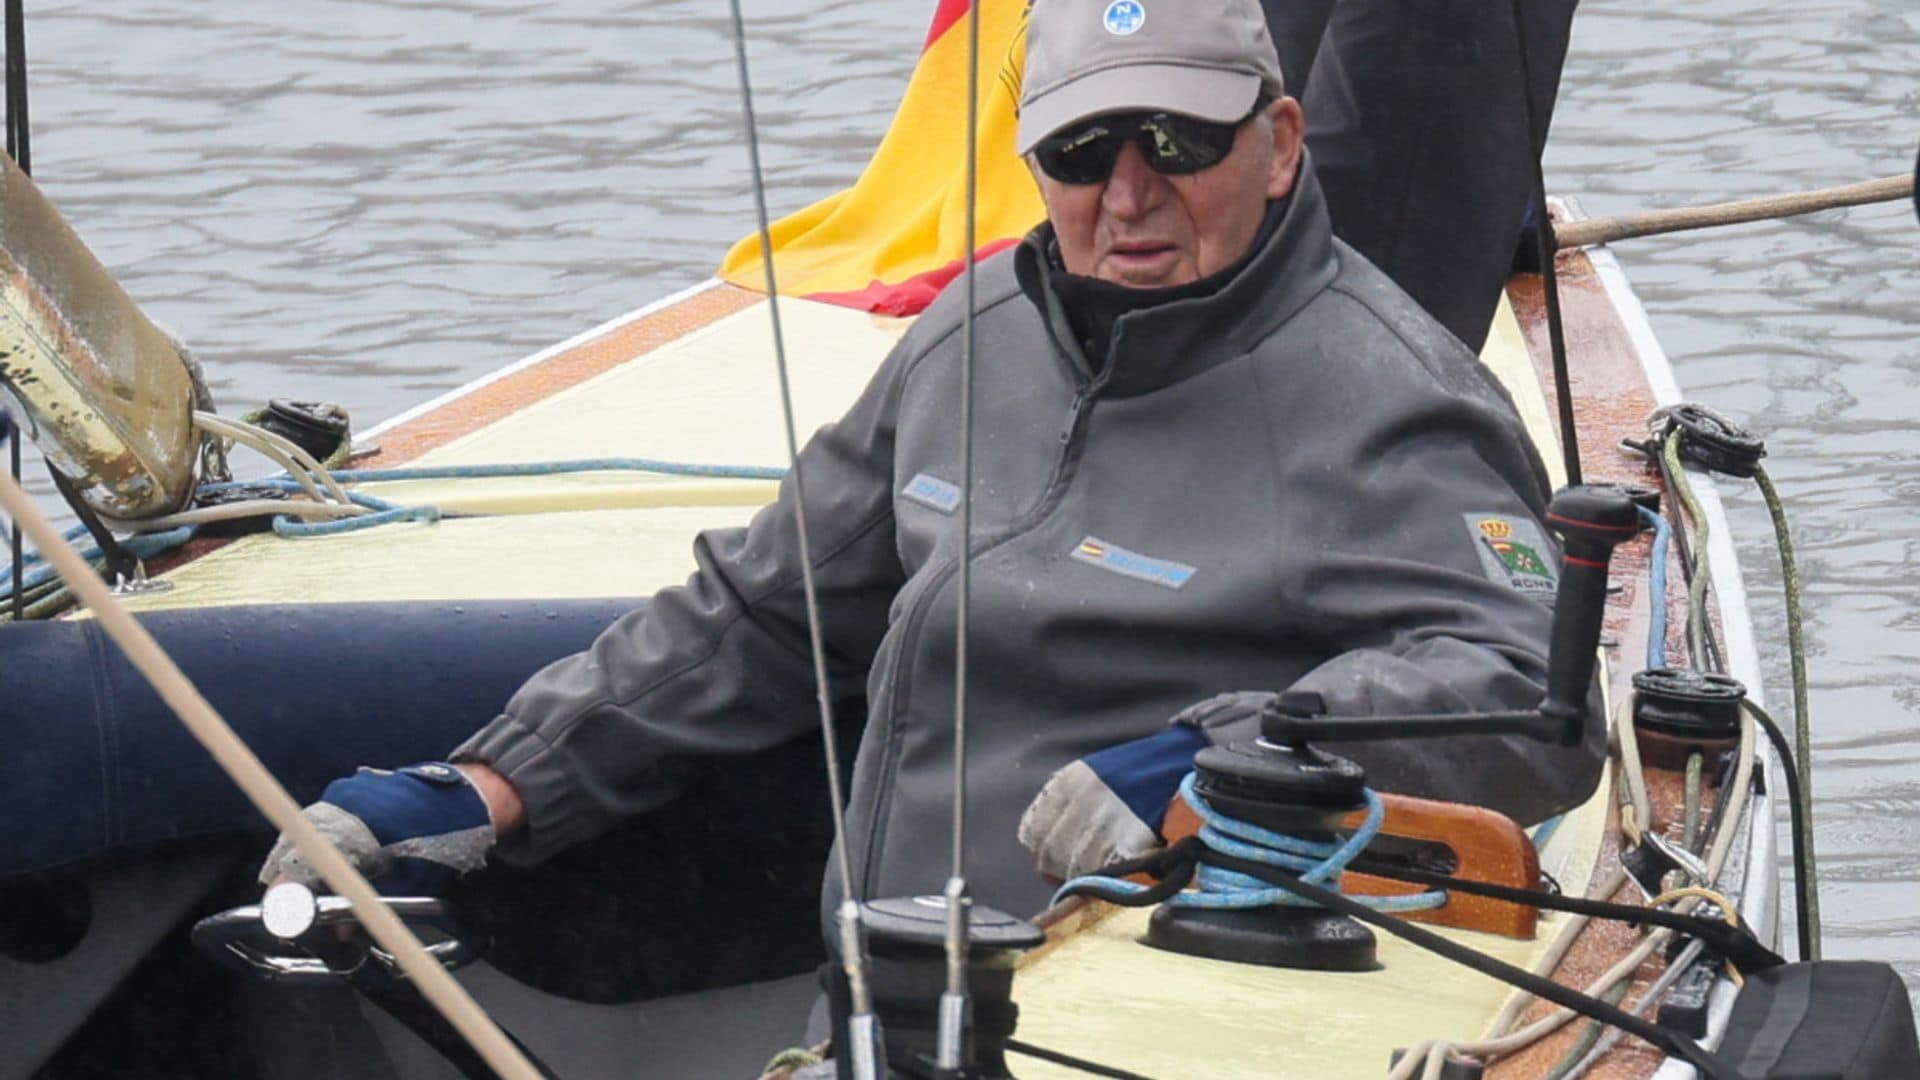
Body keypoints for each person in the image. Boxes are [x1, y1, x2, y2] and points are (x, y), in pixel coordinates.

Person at [261, 0, 1604, 919]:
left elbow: (1522, 705)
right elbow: (758, 614)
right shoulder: (973, 335)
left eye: (1180, 143)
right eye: (1081, 150)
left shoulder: (1395, 400)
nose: (1128, 194)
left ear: (1280, 144)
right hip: (880, 1010)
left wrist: (1212, 766)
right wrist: (492, 779)